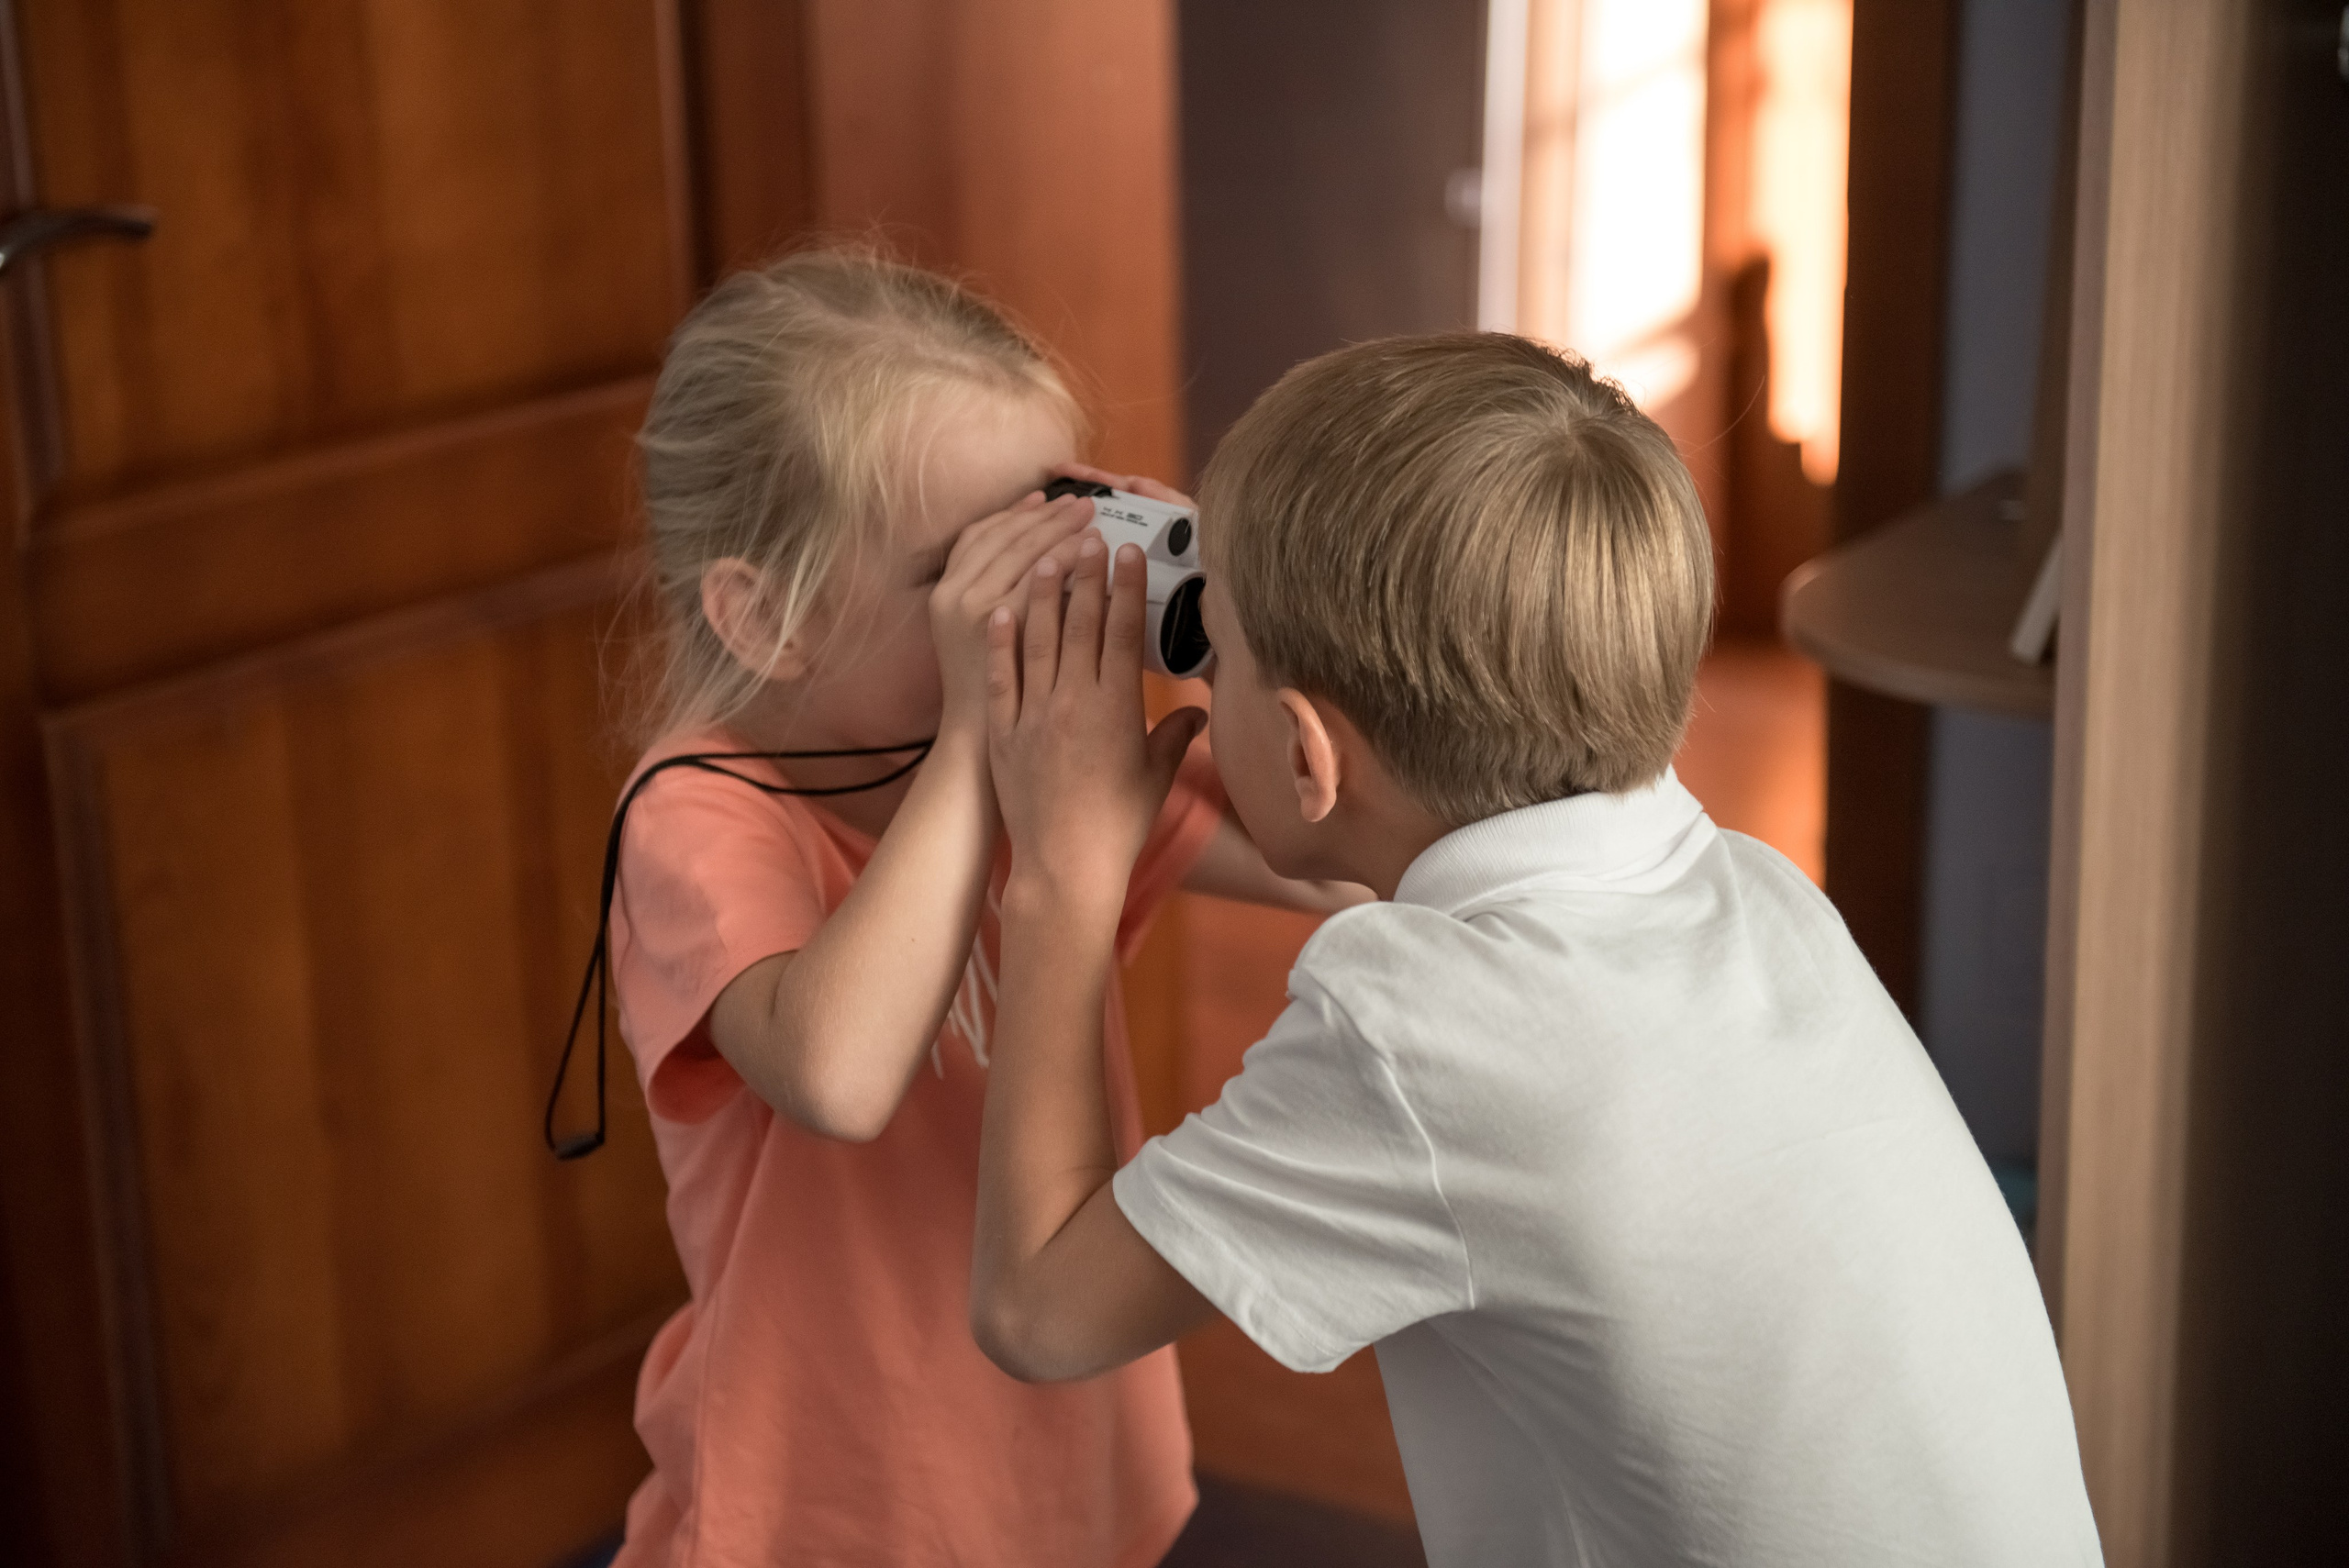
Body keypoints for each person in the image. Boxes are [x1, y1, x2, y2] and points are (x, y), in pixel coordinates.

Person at [970, 332, 2105, 1566]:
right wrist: (1257, 577)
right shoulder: (1758, 896)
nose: (1202, 674)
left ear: (1306, 753)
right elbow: (1383, 856)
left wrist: (1065, 876)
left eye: (1217, 655)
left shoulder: (1415, 1037)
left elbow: (1039, 1305)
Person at [603, 250, 1353, 1568]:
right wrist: (976, 745)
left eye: (1055, 529)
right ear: (763, 617)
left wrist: (1239, 608)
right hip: (831, 1501)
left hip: (1062, 1455)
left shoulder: (1045, 776)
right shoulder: (697, 809)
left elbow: (1336, 855)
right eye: (969, 570)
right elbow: (837, 1069)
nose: (1032, 601)